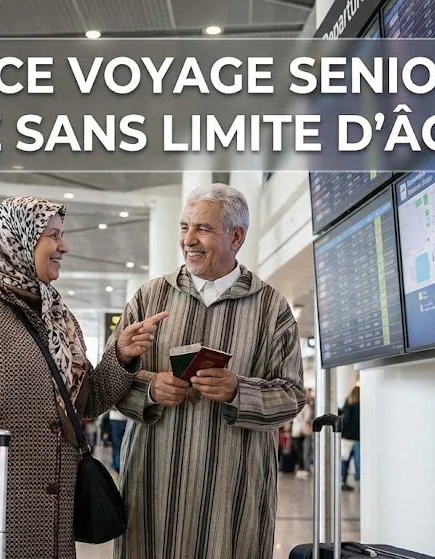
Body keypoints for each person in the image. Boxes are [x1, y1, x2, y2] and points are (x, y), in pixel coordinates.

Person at [0, 196, 167, 558]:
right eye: (53, 236)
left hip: (51, 511)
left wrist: (121, 356)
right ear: (20, 238)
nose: (64, 246)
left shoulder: (58, 315)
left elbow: (86, 403)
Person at [109, 184, 306, 559]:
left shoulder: (271, 308)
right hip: (154, 485)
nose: (188, 239)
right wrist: (150, 389)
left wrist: (238, 391)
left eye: (203, 228)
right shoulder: (150, 297)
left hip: (232, 492)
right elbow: (109, 382)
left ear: (236, 236)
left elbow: (292, 396)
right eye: (184, 227)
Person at [340, 385, 361, 492]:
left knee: (345, 460)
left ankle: (343, 481)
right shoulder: (361, 405)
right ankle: (359, 481)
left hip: (347, 436)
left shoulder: (348, 403)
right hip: (357, 437)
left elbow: (345, 419)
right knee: (358, 461)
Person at [107, 407, 127, 473]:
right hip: (118, 419)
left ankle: (118, 467)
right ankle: (117, 467)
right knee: (117, 445)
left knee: (119, 445)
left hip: (123, 420)